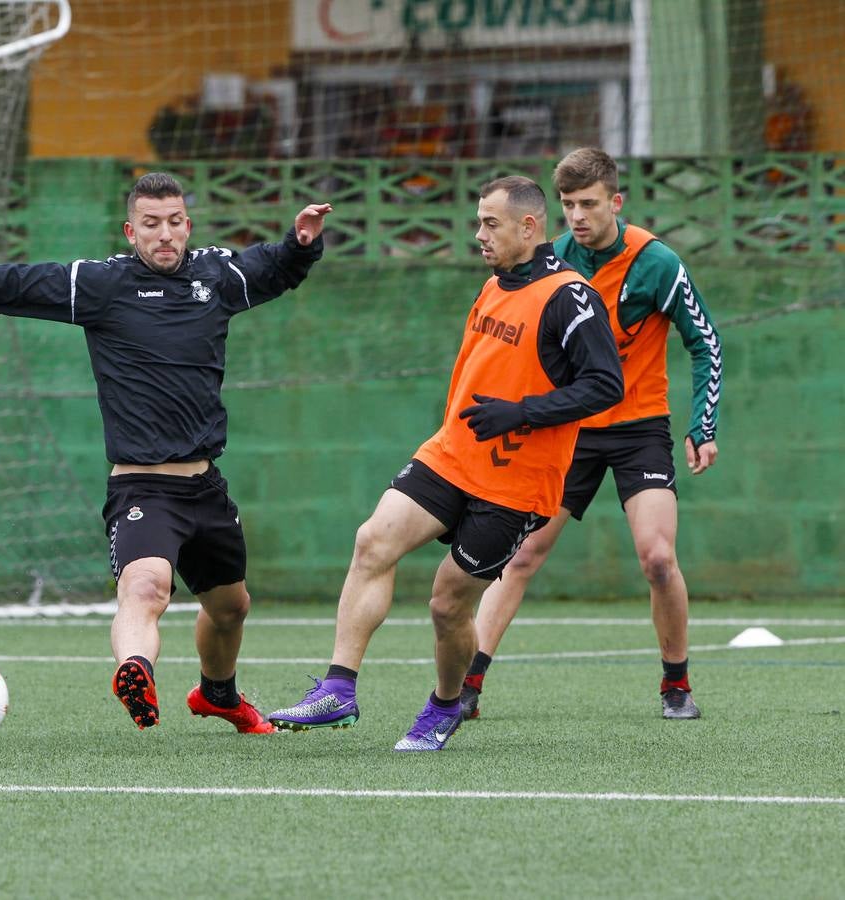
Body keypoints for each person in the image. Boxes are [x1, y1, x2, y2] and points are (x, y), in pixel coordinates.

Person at [0, 172, 331, 733]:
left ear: (188, 225)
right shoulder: (101, 284)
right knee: (146, 587)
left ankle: (218, 694)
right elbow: (14, 284)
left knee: (231, 608)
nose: (165, 235)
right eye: (152, 225)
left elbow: (274, 267)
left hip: (206, 487)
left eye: (175, 222)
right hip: (142, 488)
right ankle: (135, 668)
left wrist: (301, 244)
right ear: (130, 231)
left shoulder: (216, 274)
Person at [268, 176, 623, 751]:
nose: (479, 235)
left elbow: (606, 385)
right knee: (372, 541)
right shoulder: (493, 285)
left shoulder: (571, 295)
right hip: (451, 456)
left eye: (491, 224)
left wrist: (523, 413)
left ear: (528, 227)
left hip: (515, 482)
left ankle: (444, 703)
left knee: (446, 605)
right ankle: (338, 689)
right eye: (478, 222)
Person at [460, 148, 723, 721]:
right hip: (567, 429)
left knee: (657, 558)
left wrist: (704, 425)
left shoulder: (656, 262)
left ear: (615, 202)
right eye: (568, 205)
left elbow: (705, 340)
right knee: (522, 554)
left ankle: (675, 685)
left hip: (639, 429)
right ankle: (466, 685)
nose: (578, 216)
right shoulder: (550, 260)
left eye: (589, 204)